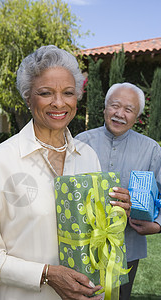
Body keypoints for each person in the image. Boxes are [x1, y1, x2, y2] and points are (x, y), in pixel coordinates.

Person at [0, 46, 131, 300]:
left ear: (77, 97)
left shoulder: (88, 157)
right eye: (45, 93)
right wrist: (45, 274)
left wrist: (116, 214)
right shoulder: (1, 161)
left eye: (68, 93)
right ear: (28, 98)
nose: (59, 103)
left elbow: (96, 234)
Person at [75, 82, 161, 300]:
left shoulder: (152, 150)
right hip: (82, 245)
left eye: (129, 109)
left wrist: (158, 224)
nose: (120, 114)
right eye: (115, 106)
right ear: (104, 108)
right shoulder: (80, 143)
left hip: (128, 247)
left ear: (137, 115)